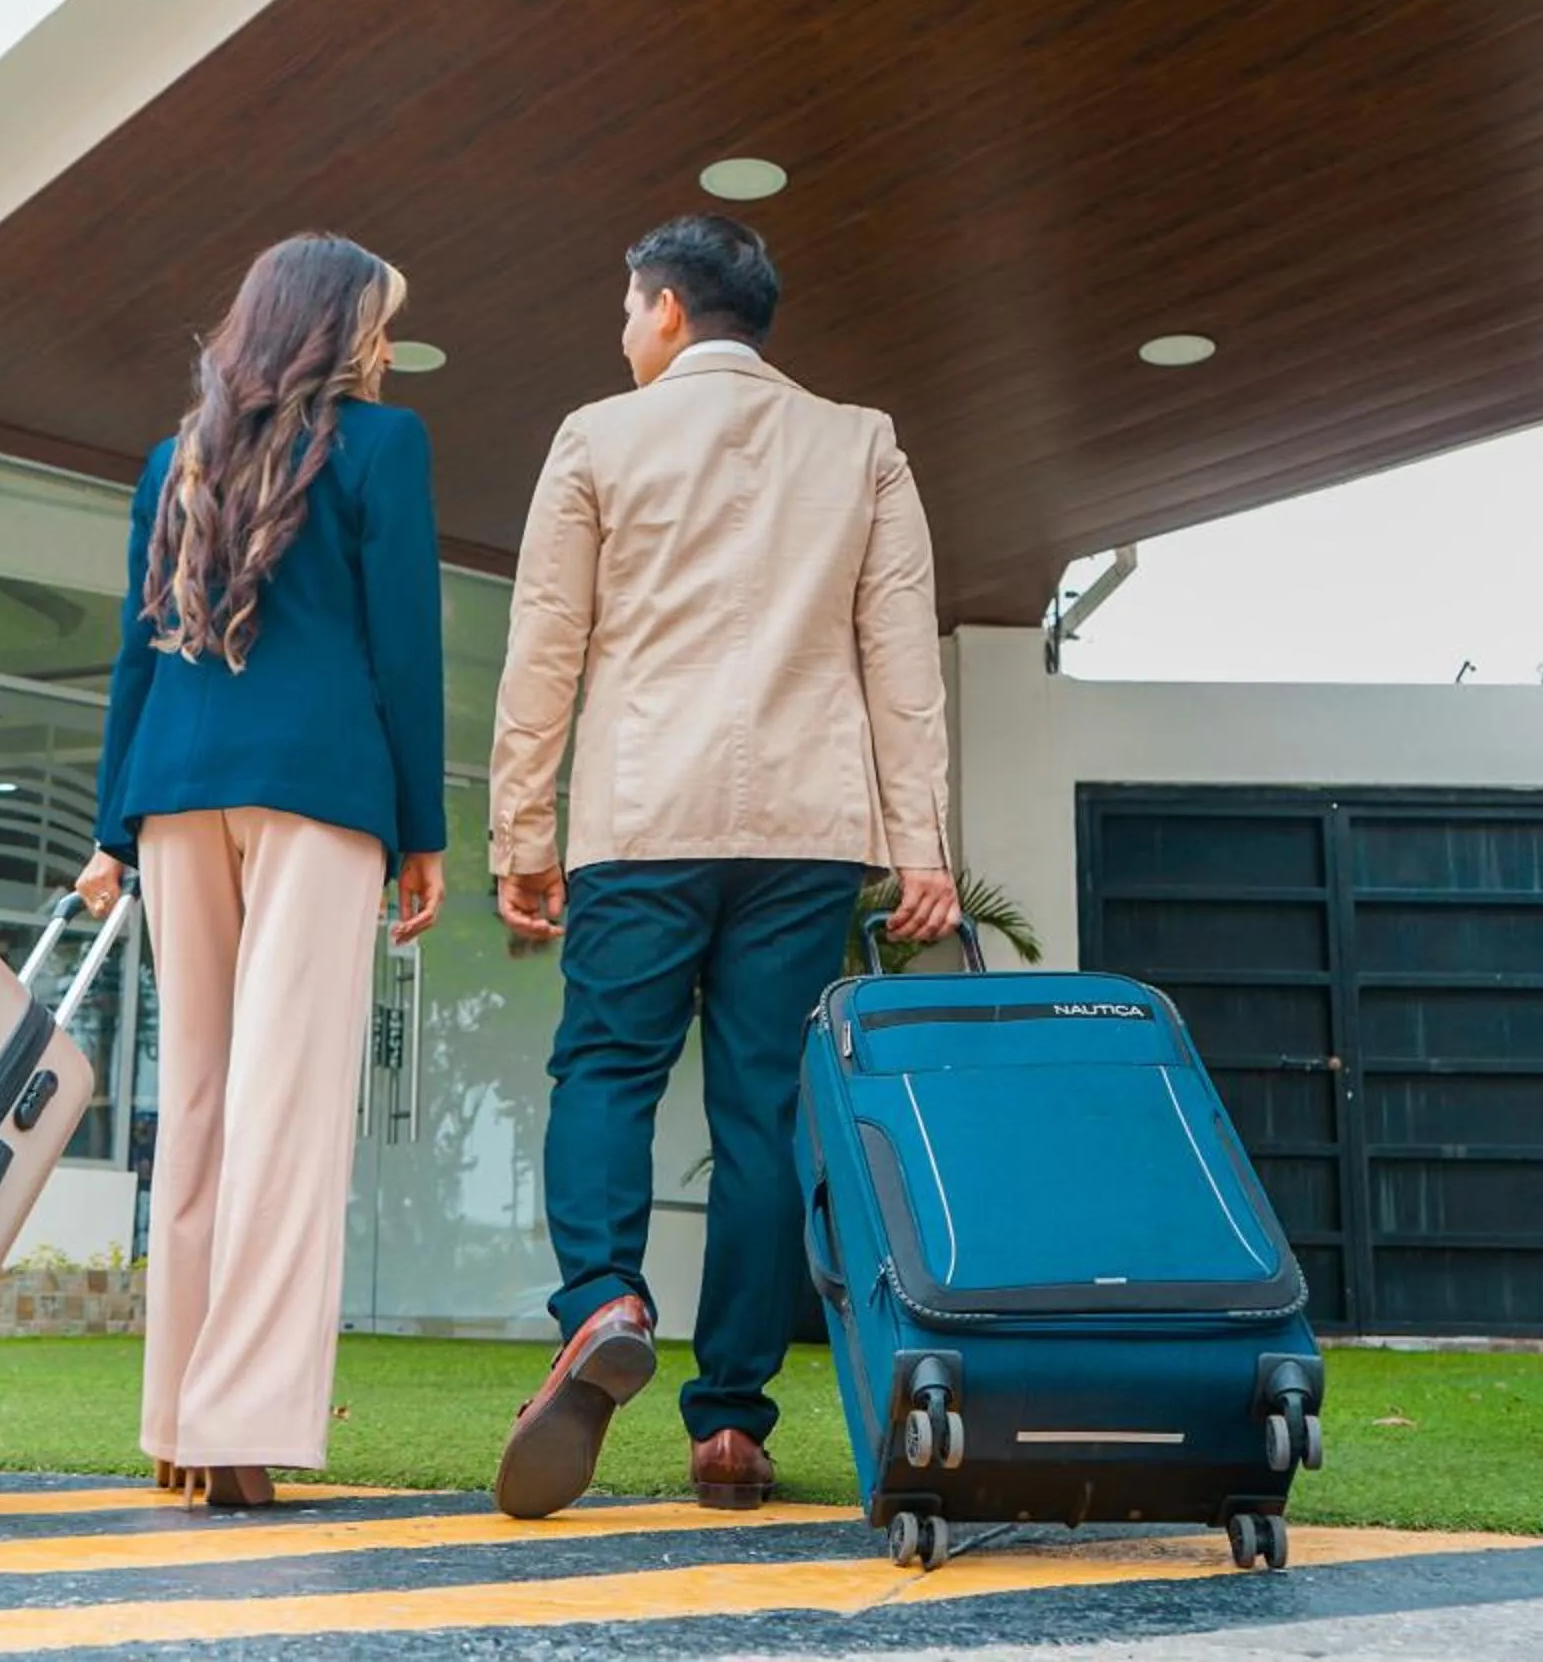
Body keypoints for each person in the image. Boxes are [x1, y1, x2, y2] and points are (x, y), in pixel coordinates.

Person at [486, 215, 959, 1519]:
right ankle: (734, 1423)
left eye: (627, 309)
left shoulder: (598, 436)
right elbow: (901, 652)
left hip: (645, 813)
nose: (621, 332)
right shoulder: (860, 442)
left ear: (668, 309)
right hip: (807, 828)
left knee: (606, 1069)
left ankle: (603, 1300)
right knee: (764, 1115)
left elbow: (546, 640)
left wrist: (521, 831)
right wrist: (921, 842)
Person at [74, 233, 447, 1509]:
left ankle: (182, 1415)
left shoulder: (173, 457)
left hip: (175, 792)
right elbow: (406, 644)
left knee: (197, 1102)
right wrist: (422, 828)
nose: (385, 347)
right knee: (287, 1106)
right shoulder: (383, 445)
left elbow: (138, 649)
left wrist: (111, 828)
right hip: (322, 789)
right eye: (379, 322)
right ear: (338, 328)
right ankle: (237, 1417)